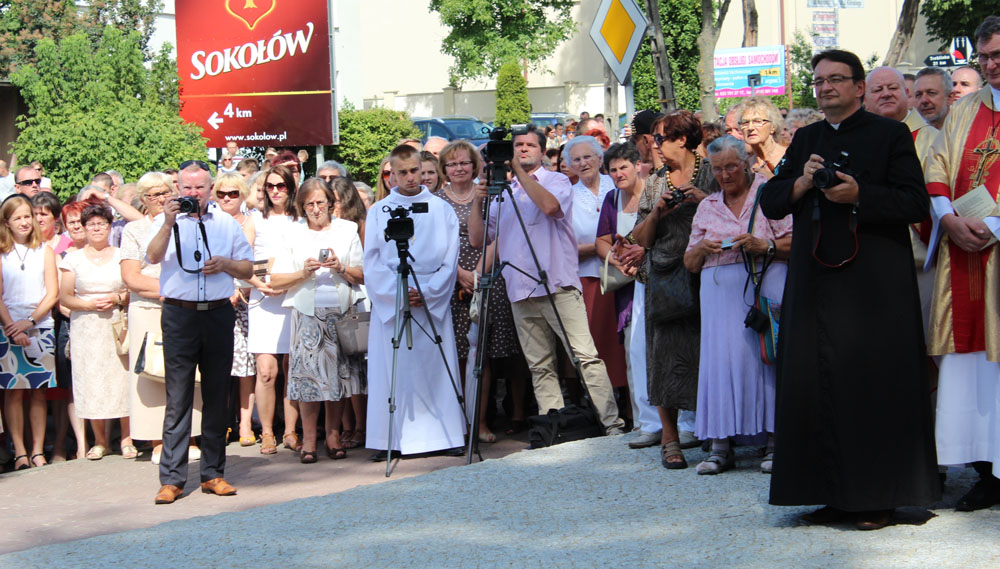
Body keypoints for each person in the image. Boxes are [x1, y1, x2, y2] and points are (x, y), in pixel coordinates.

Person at [760, 49, 940, 530]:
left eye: (836, 79)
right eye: (819, 81)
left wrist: (861, 194)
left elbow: (914, 202)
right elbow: (771, 201)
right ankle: (828, 493)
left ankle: (878, 497)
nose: (825, 87)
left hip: (873, 288)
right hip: (816, 286)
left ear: (859, 87)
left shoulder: (890, 135)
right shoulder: (806, 138)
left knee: (872, 386)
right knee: (816, 384)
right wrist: (801, 183)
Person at [468, 126, 626, 436]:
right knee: (539, 365)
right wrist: (477, 200)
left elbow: (551, 208)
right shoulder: (503, 190)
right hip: (519, 288)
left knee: (584, 357)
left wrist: (516, 170)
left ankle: (612, 424)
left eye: (529, 145)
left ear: (543, 151)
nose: (522, 149)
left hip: (557, 284)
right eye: (517, 145)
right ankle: (553, 429)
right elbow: (477, 239)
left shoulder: (557, 181)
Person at [923, 15, 1000, 513]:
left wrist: (994, 226)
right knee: (969, 370)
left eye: (999, 55)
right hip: (962, 255)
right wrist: (948, 219)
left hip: (996, 248)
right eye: (985, 56)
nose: (991, 65)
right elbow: (937, 167)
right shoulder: (964, 109)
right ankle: (985, 472)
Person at [145, 161, 253, 505]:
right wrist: (167, 222)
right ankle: (172, 479)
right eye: (187, 188)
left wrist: (225, 264)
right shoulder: (166, 220)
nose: (194, 193)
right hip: (180, 314)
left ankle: (213, 474)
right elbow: (152, 257)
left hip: (218, 313)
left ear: (210, 188)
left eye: (200, 187)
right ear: (178, 189)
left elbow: (248, 267)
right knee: (178, 397)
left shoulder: (226, 223)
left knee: (217, 395)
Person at [683, 136, 792, 475]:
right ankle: (720, 445)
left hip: (764, 285)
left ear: (746, 162)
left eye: (731, 166)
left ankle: (775, 442)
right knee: (720, 364)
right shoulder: (708, 205)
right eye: (718, 169)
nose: (725, 175)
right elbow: (689, 262)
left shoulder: (768, 194)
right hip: (719, 297)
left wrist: (764, 245)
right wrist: (702, 249)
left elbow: (795, 242)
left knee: (766, 359)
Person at [364, 144, 466, 459]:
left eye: (414, 171)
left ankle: (445, 435)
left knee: (434, 367)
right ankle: (389, 440)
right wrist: (398, 293)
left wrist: (428, 291)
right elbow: (372, 261)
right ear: (391, 175)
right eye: (403, 172)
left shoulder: (441, 209)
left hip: (429, 297)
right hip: (394, 297)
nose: (410, 177)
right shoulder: (378, 211)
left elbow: (450, 258)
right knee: (392, 370)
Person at [630, 110, 712, 468]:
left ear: (683, 139)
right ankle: (669, 437)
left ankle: (714, 431)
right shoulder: (654, 182)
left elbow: (737, 216)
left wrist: (704, 200)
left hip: (707, 274)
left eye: (661, 138)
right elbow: (641, 238)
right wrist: (657, 213)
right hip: (663, 275)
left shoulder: (712, 173)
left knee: (707, 351)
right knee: (662, 353)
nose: (656, 145)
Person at [270, 178, 365, 463]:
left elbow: (363, 273)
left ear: (331, 203)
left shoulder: (347, 229)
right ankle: (310, 438)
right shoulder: (292, 232)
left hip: (341, 311)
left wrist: (341, 267)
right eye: (309, 204)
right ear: (301, 206)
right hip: (307, 313)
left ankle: (333, 435)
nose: (315, 209)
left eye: (320, 202)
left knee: (338, 377)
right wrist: (303, 272)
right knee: (308, 379)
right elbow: (276, 279)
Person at [435, 140, 524, 443]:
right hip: (450, 280)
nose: (458, 168)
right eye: (452, 164)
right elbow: (433, 245)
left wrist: (477, 272)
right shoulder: (436, 200)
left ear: (474, 165)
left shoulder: (490, 193)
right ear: (444, 169)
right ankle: (459, 421)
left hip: (488, 276)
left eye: (464, 162)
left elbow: (499, 234)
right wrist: (458, 273)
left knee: (483, 356)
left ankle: (480, 421)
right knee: (459, 355)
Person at [120, 172, 204, 465]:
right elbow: (131, 277)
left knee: (187, 373)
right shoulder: (134, 230)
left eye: (165, 192)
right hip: (148, 308)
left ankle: (190, 437)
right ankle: (158, 440)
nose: (160, 199)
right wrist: (171, 290)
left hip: (184, 307)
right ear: (143, 200)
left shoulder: (188, 223)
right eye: (153, 194)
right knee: (153, 374)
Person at [595, 142, 659, 448]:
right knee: (635, 351)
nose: (619, 173)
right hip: (628, 287)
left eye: (624, 167)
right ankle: (644, 422)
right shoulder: (611, 199)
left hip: (657, 280)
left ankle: (676, 420)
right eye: (613, 169)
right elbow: (601, 241)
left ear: (638, 166)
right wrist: (619, 261)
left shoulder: (653, 193)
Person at [58, 203, 132, 461]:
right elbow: (65, 296)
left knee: (122, 379)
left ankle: (126, 439)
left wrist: (117, 298)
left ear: (110, 227)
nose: (96, 229)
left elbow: (132, 289)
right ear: (84, 228)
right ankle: (100, 441)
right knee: (90, 381)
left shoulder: (122, 255)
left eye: (101, 224)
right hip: (86, 326)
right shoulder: (73, 259)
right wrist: (88, 304)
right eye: (91, 225)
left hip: (116, 322)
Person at [566, 136, 628, 397]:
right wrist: (598, 247)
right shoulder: (569, 196)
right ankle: (602, 400)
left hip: (624, 273)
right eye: (576, 160)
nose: (583, 163)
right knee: (596, 341)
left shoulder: (616, 186)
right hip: (589, 277)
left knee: (622, 340)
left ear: (600, 158)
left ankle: (628, 399)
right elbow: (565, 246)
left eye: (587, 157)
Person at [0, 194, 59, 469]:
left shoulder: (44, 250)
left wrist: (30, 322)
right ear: (7, 223)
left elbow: (52, 293)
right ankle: (20, 452)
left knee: (38, 391)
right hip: (8, 326)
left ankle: (37, 450)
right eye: (18, 218)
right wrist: (13, 327)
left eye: (28, 216)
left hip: (40, 326)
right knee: (13, 391)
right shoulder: (2, 252)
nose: (24, 222)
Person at [247, 164, 300, 454]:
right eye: (270, 186)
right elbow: (242, 258)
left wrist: (291, 282)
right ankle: (267, 432)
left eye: (281, 185)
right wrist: (261, 283)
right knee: (266, 371)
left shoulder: (300, 218)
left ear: (291, 187)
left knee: (292, 368)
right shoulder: (255, 219)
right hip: (264, 299)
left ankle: (291, 431)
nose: (276, 191)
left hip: (294, 297)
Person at [209, 173, 257, 446]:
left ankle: (245, 423)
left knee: (246, 366)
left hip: (247, 301)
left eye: (233, 193)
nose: (227, 198)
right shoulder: (210, 223)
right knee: (220, 366)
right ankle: (222, 422)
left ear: (242, 195)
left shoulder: (251, 222)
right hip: (218, 300)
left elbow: (254, 261)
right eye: (222, 193)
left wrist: (245, 287)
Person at [738, 97, 787, 179]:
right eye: (745, 122)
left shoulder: (790, 157)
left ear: (773, 126)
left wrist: (771, 179)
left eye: (757, 121)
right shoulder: (744, 164)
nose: (750, 128)